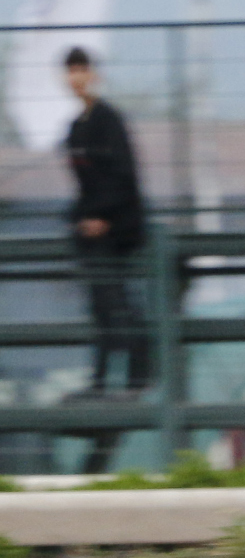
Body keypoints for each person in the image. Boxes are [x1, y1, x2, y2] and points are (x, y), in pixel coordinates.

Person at [61, 46, 148, 398]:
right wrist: (79, 218)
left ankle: (136, 380)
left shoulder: (108, 120)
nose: (76, 77)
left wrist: (102, 217)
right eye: (71, 70)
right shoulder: (75, 128)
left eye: (81, 69)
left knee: (115, 305)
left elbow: (124, 177)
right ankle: (101, 382)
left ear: (94, 74)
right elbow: (85, 185)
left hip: (116, 231)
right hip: (91, 232)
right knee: (101, 307)